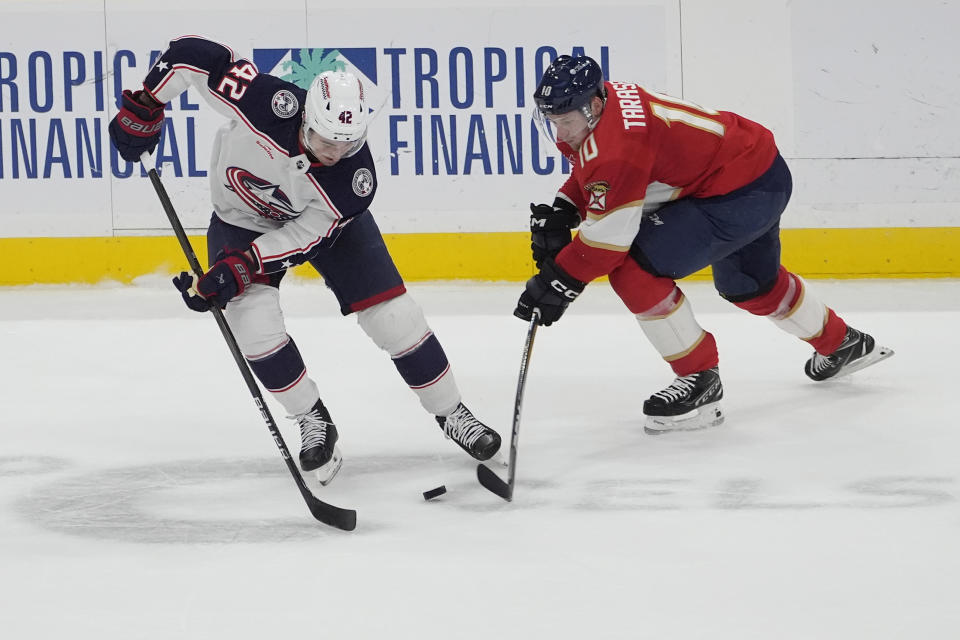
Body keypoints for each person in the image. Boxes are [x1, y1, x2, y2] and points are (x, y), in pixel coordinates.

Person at [109, 35, 501, 484]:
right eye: (326, 139)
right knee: (252, 326)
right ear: (305, 117)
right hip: (241, 217)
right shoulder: (265, 102)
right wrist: (145, 103)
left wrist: (241, 267)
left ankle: (452, 413)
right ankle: (312, 419)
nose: (335, 153)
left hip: (323, 228)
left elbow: (303, 238)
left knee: (395, 317)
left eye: (347, 145)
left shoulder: (353, 180)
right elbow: (193, 55)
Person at [514, 55, 893, 434]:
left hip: (735, 193)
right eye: (553, 122)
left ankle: (699, 380)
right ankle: (843, 344)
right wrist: (565, 210)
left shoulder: (616, 145)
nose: (561, 134)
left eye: (566, 122)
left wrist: (556, 282)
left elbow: (607, 244)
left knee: (632, 269)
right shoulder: (609, 105)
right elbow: (599, 174)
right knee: (748, 283)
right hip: (759, 172)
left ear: (593, 106)